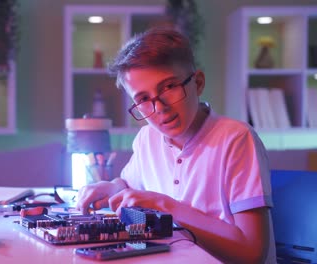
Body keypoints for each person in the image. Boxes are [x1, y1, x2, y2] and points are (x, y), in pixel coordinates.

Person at [76, 27, 276, 264]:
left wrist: (165, 205)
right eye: (142, 99)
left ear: (198, 83)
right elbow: (131, 184)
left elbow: (252, 253)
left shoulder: (236, 139)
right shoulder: (147, 138)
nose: (159, 107)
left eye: (169, 87)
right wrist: (112, 188)